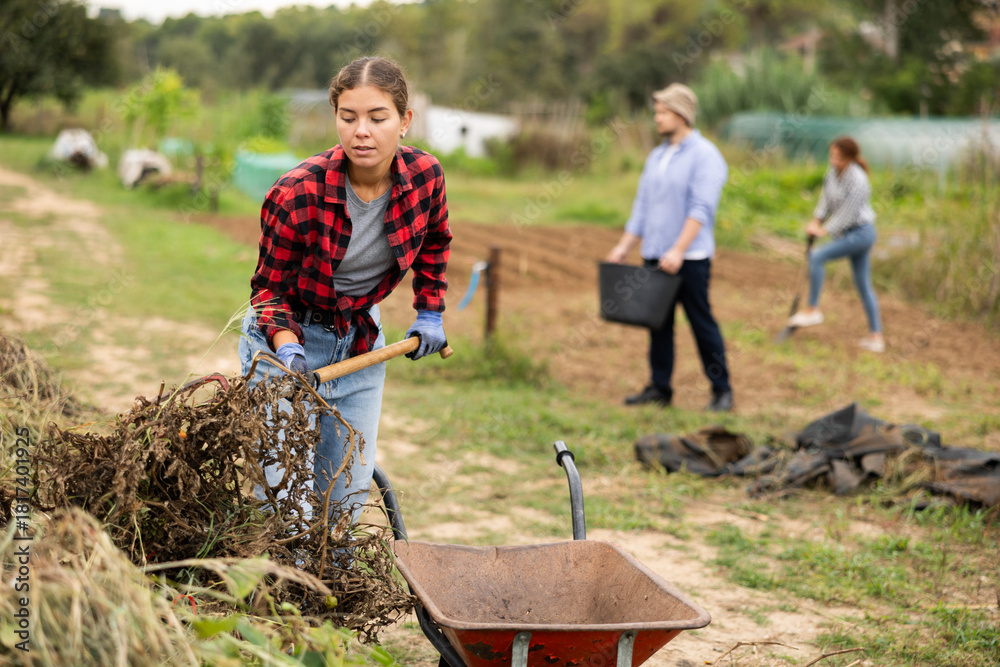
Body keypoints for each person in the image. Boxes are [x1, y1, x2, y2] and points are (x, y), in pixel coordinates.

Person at [238, 56, 451, 524]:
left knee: (345, 500)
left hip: (358, 339)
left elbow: (435, 241)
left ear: (404, 120)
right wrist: (289, 349)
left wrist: (430, 311)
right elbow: (268, 292)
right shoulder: (297, 192)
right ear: (335, 116)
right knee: (285, 503)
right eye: (348, 117)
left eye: (378, 118)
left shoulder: (425, 177)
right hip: (285, 344)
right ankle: (271, 593)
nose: (362, 132)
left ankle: (336, 593)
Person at [607, 83, 733, 412]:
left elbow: (701, 209)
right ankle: (660, 388)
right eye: (657, 112)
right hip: (655, 254)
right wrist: (624, 246)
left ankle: (722, 390)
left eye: (662, 112)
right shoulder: (658, 156)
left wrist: (678, 249)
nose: (657, 118)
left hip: (689, 258)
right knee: (658, 324)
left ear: (681, 114)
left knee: (701, 323)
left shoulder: (706, 155)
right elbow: (643, 205)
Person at [786, 137, 884, 353]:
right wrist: (816, 220)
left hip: (861, 233)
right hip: (847, 234)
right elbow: (825, 201)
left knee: (818, 257)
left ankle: (813, 309)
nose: (833, 160)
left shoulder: (859, 180)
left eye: (838, 157)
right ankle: (876, 337)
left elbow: (849, 214)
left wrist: (824, 230)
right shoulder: (832, 174)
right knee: (863, 285)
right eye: (832, 156)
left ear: (849, 158)